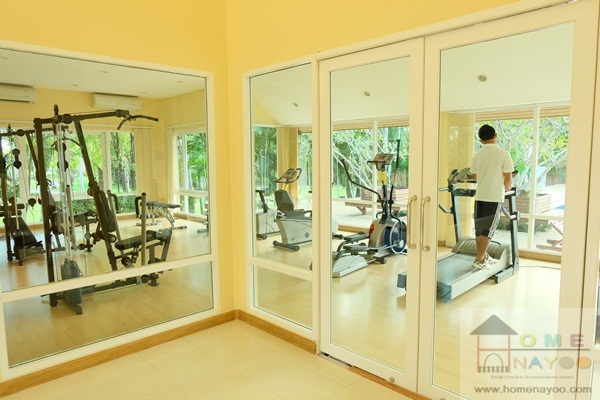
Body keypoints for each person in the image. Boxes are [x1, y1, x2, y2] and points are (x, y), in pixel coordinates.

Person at [469, 124, 514, 270]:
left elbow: (475, 176)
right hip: (494, 197)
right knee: (488, 231)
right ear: (495, 135)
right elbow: (508, 178)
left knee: (480, 229)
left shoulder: (477, 155)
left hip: (480, 196)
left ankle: (483, 256)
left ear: (481, 140)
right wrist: (507, 188)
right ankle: (479, 259)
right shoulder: (504, 154)